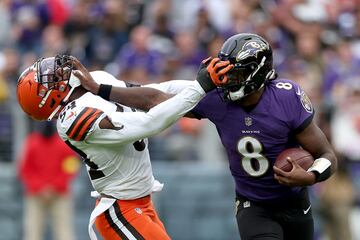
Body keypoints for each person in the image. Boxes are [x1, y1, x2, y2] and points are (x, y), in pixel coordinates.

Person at [81, 33, 338, 240]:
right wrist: (101, 89)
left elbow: (326, 154)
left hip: (296, 204)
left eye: (234, 74)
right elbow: (154, 99)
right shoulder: (216, 98)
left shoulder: (286, 97)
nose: (226, 80)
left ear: (256, 72)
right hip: (254, 205)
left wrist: (311, 175)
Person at [16, 54, 231, 240]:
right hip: (120, 210)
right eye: (48, 79)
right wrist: (201, 87)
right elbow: (150, 123)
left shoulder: (96, 80)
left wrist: (214, 87)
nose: (55, 70)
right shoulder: (73, 119)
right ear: (47, 99)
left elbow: (153, 93)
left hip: (141, 203)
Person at [18, 121, 80, 240]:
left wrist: (53, 186)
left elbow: (71, 168)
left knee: (64, 232)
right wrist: (40, 187)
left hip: (59, 194)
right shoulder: (32, 142)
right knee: (33, 231)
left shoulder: (62, 144)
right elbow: (25, 168)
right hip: (37, 194)